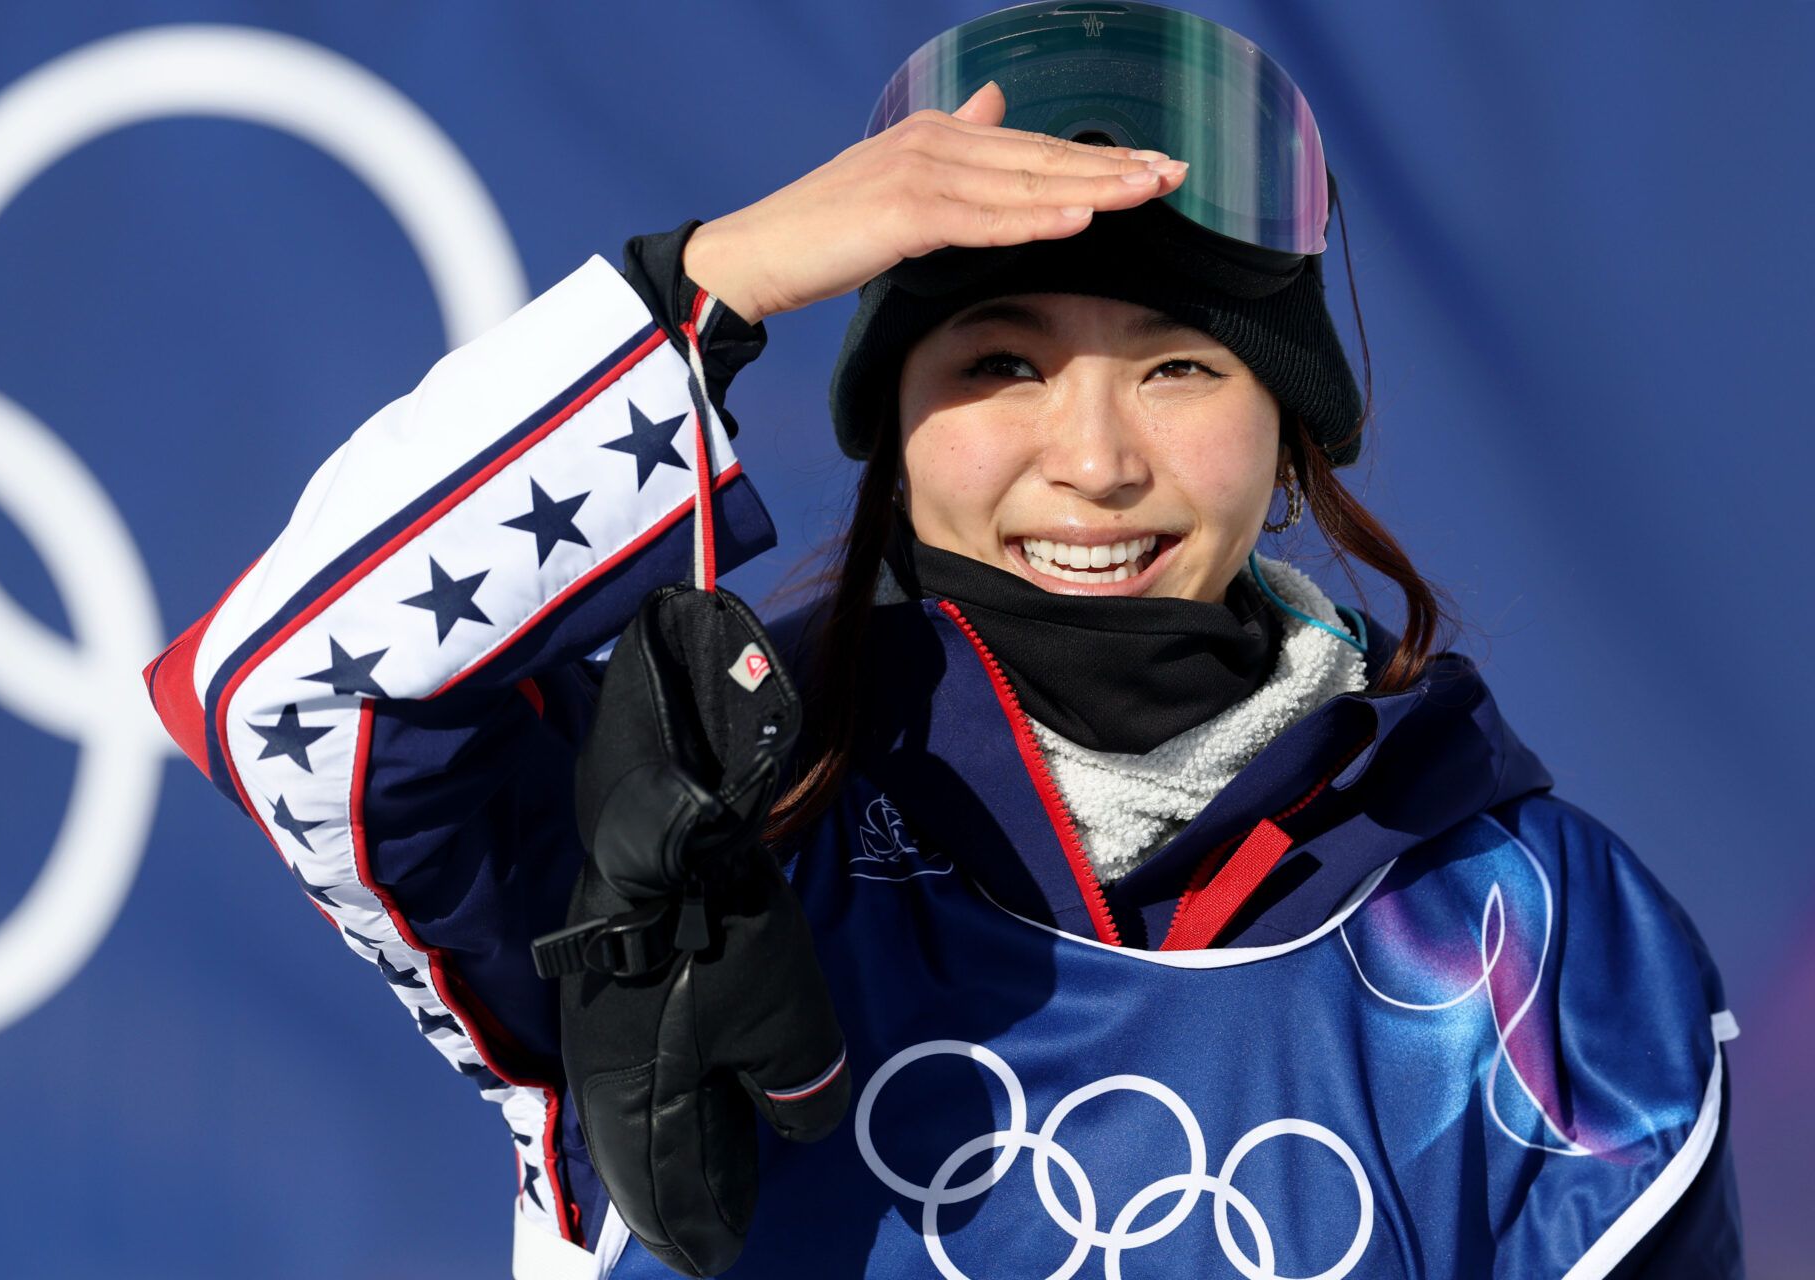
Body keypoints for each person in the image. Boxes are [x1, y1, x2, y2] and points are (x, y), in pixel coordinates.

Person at [141, 5, 1741, 1276]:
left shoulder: (1527, 933)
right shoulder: (695, 823)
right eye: (1000, 363)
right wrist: (706, 286)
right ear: (893, 425)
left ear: (1291, 431)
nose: (1098, 459)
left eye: (1182, 367)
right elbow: (278, 683)